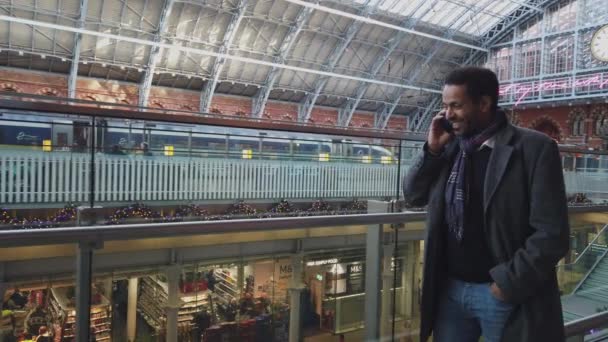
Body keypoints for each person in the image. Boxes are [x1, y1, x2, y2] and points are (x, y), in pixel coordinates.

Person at [403, 66, 570, 342]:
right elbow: (413, 195)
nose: (447, 115)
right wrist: (431, 150)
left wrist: (507, 284)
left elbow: (552, 233)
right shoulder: (449, 147)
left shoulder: (534, 149)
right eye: (445, 106)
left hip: (502, 295)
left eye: (456, 105)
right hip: (450, 291)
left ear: (484, 103)